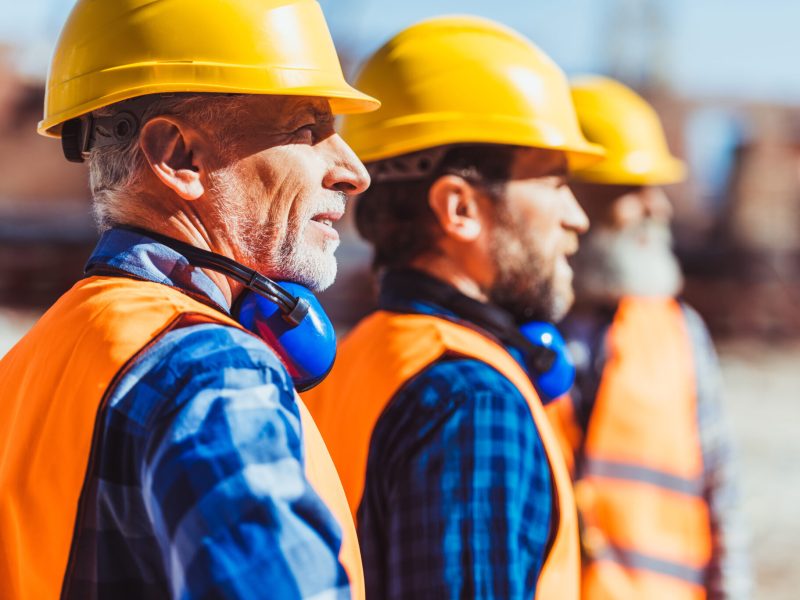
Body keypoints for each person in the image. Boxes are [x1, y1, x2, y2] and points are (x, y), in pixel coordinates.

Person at [0, 1, 379, 598]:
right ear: (179, 157)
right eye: (308, 129)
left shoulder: (28, 364)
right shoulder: (209, 369)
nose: (352, 170)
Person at [303, 16, 605, 599]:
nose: (577, 218)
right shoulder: (470, 400)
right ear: (459, 208)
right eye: (552, 183)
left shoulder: (360, 355)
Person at [546, 76, 752, 600]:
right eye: (629, 191)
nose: (657, 208)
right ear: (571, 195)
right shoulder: (505, 328)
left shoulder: (682, 334)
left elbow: (720, 498)